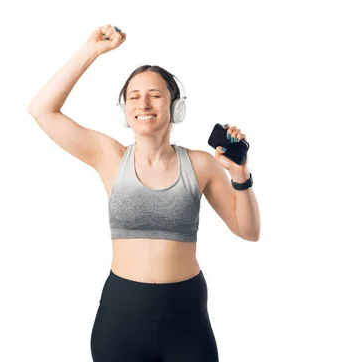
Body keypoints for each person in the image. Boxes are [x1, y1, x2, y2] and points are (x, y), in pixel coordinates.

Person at [27, 24, 261, 362]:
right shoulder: (108, 156)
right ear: (124, 109)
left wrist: (240, 175)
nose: (144, 103)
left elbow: (249, 231)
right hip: (121, 317)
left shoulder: (200, 165)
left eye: (155, 94)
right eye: (134, 96)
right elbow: (41, 109)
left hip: (186, 318)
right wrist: (90, 51)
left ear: (174, 106)